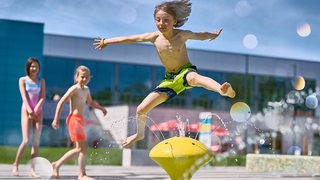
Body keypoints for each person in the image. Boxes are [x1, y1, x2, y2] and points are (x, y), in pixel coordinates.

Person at [93, 0, 236, 148]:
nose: (161, 23)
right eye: (158, 20)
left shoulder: (182, 35)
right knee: (141, 109)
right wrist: (107, 41)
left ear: (175, 21)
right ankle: (139, 134)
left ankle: (221, 90)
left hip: (185, 71)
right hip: (169, 80)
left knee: (193, 78)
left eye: (166, 20)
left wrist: (212, 35)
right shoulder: (154, 37)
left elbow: (200, 35)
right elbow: (129, 38)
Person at [51, 65, 107, 180]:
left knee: (80, 148)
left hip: (81, 120)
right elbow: (61, 102)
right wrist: (56, 118)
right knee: (82, 148)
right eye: (82, 77)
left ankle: (74, 170)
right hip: (74, 119)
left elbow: (91, 103)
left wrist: (101, 108)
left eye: (86, 77)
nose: (84, 79)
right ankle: (78, 173)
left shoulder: (86, 90)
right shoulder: (74, 89)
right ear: (77, 77)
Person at [13, 57, 46, 177]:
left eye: (36, 66)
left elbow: (42, 97)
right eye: (32, 66)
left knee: (36, 142)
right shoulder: (22, 80)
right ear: (28, 67)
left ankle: (33, 170)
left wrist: (36, 110)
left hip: (38, 112)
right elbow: (24, 96)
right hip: (26, 111)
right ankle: (16, 165)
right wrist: (30, 111)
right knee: (26, 140)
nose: (34, 68)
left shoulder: (41, 81)